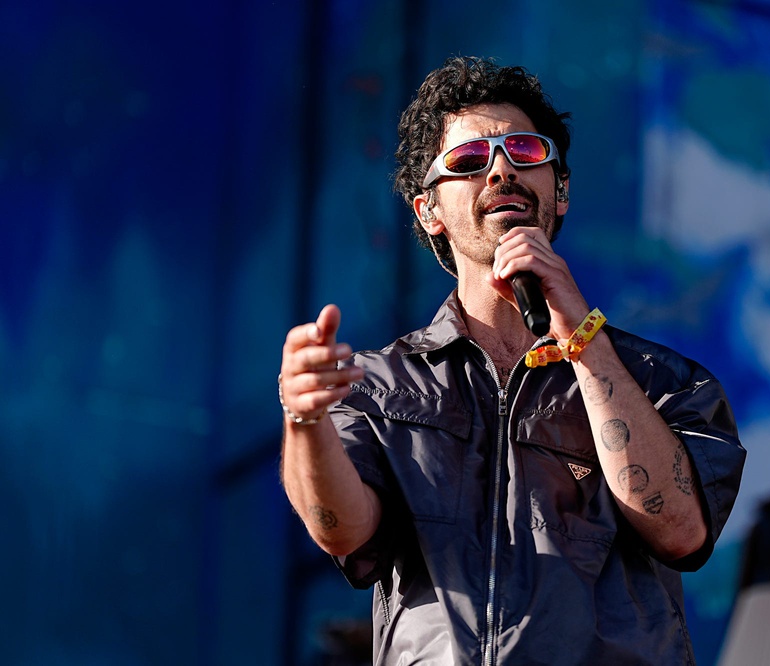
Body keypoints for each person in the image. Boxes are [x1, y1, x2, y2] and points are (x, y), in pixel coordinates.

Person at [279, 56, 745, 665]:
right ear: (430, 213)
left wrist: (581, 335)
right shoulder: (379, 386)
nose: (501, 169)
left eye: (525, 151)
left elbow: (681, 528)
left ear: (562, 191)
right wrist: (305, 418)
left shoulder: (663, 382)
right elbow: (341, 529)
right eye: (470, 160)